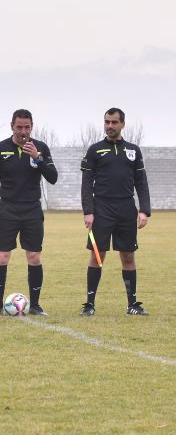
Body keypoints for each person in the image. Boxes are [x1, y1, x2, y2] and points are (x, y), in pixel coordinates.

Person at [0, 109, 57, 316]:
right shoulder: (0, 149)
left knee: (34, 257)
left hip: (32, 209)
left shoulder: (41, 148)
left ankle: (35, 305)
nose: (23, 131)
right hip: (8, 208)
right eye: (19, 127)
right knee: (2, 257)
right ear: (12, 126)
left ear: (32, 127)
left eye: (27, 127)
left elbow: (53, 177)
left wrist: (37, 158)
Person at [81, 107, 151, 317]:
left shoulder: (133, 150)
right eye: (107, 122)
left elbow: (141, 182)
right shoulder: (94, 150)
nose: (109, 126)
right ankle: (90, 305)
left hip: (126, 209)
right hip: (101, 208)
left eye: (114, 122)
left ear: (122, 124)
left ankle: (132, 305)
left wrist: (144, 210)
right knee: (97, 256)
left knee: (128, 256)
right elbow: (86, 184)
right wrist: (88, 211)